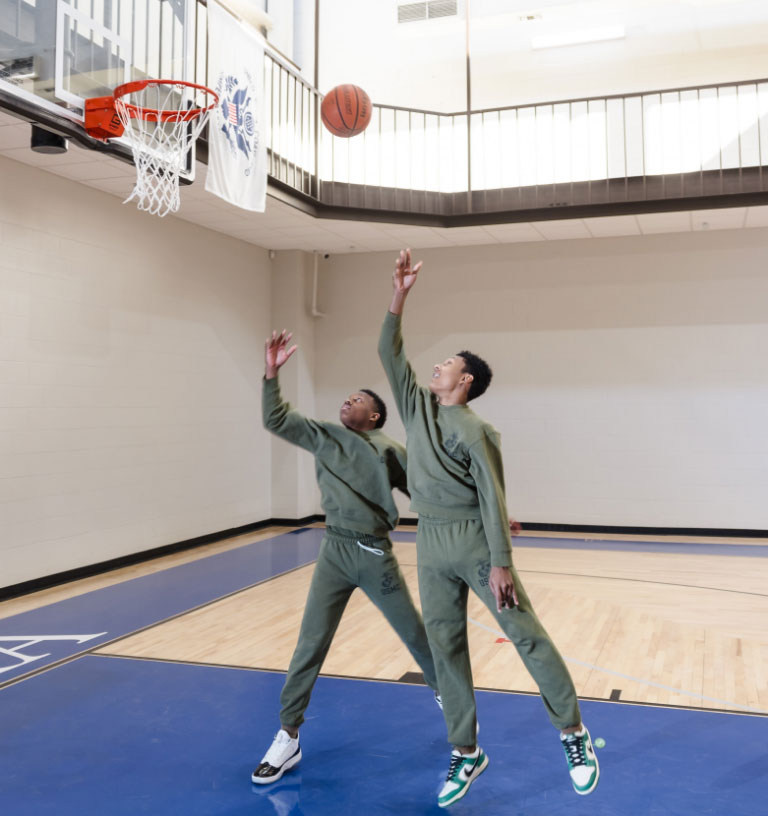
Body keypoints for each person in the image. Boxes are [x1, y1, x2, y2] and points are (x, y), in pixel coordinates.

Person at [378, 251, 600, 808]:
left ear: (465, 380)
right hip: (429, 543)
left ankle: (573, 735)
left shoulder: (478, 431)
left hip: (476, 544)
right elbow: (389, 349)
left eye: (447, 363)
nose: (436, 366)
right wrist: (400, 294)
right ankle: (466, 750)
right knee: (445, 645)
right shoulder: (416, 407)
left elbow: (493, 495)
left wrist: (501, 561)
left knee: (526, 635)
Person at [252, 329, 440, 785]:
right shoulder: (323, 436)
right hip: (334, 551)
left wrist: (486, 516)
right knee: (309, 644)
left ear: (373, 414)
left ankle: (450, 698)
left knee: (414, 632)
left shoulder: (392, 451)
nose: (347, 401)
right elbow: (276, 418)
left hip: (375, 554)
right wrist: (272, 374)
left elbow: (429, 493)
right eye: (346, 397)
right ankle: (288, 736)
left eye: (357, 399)